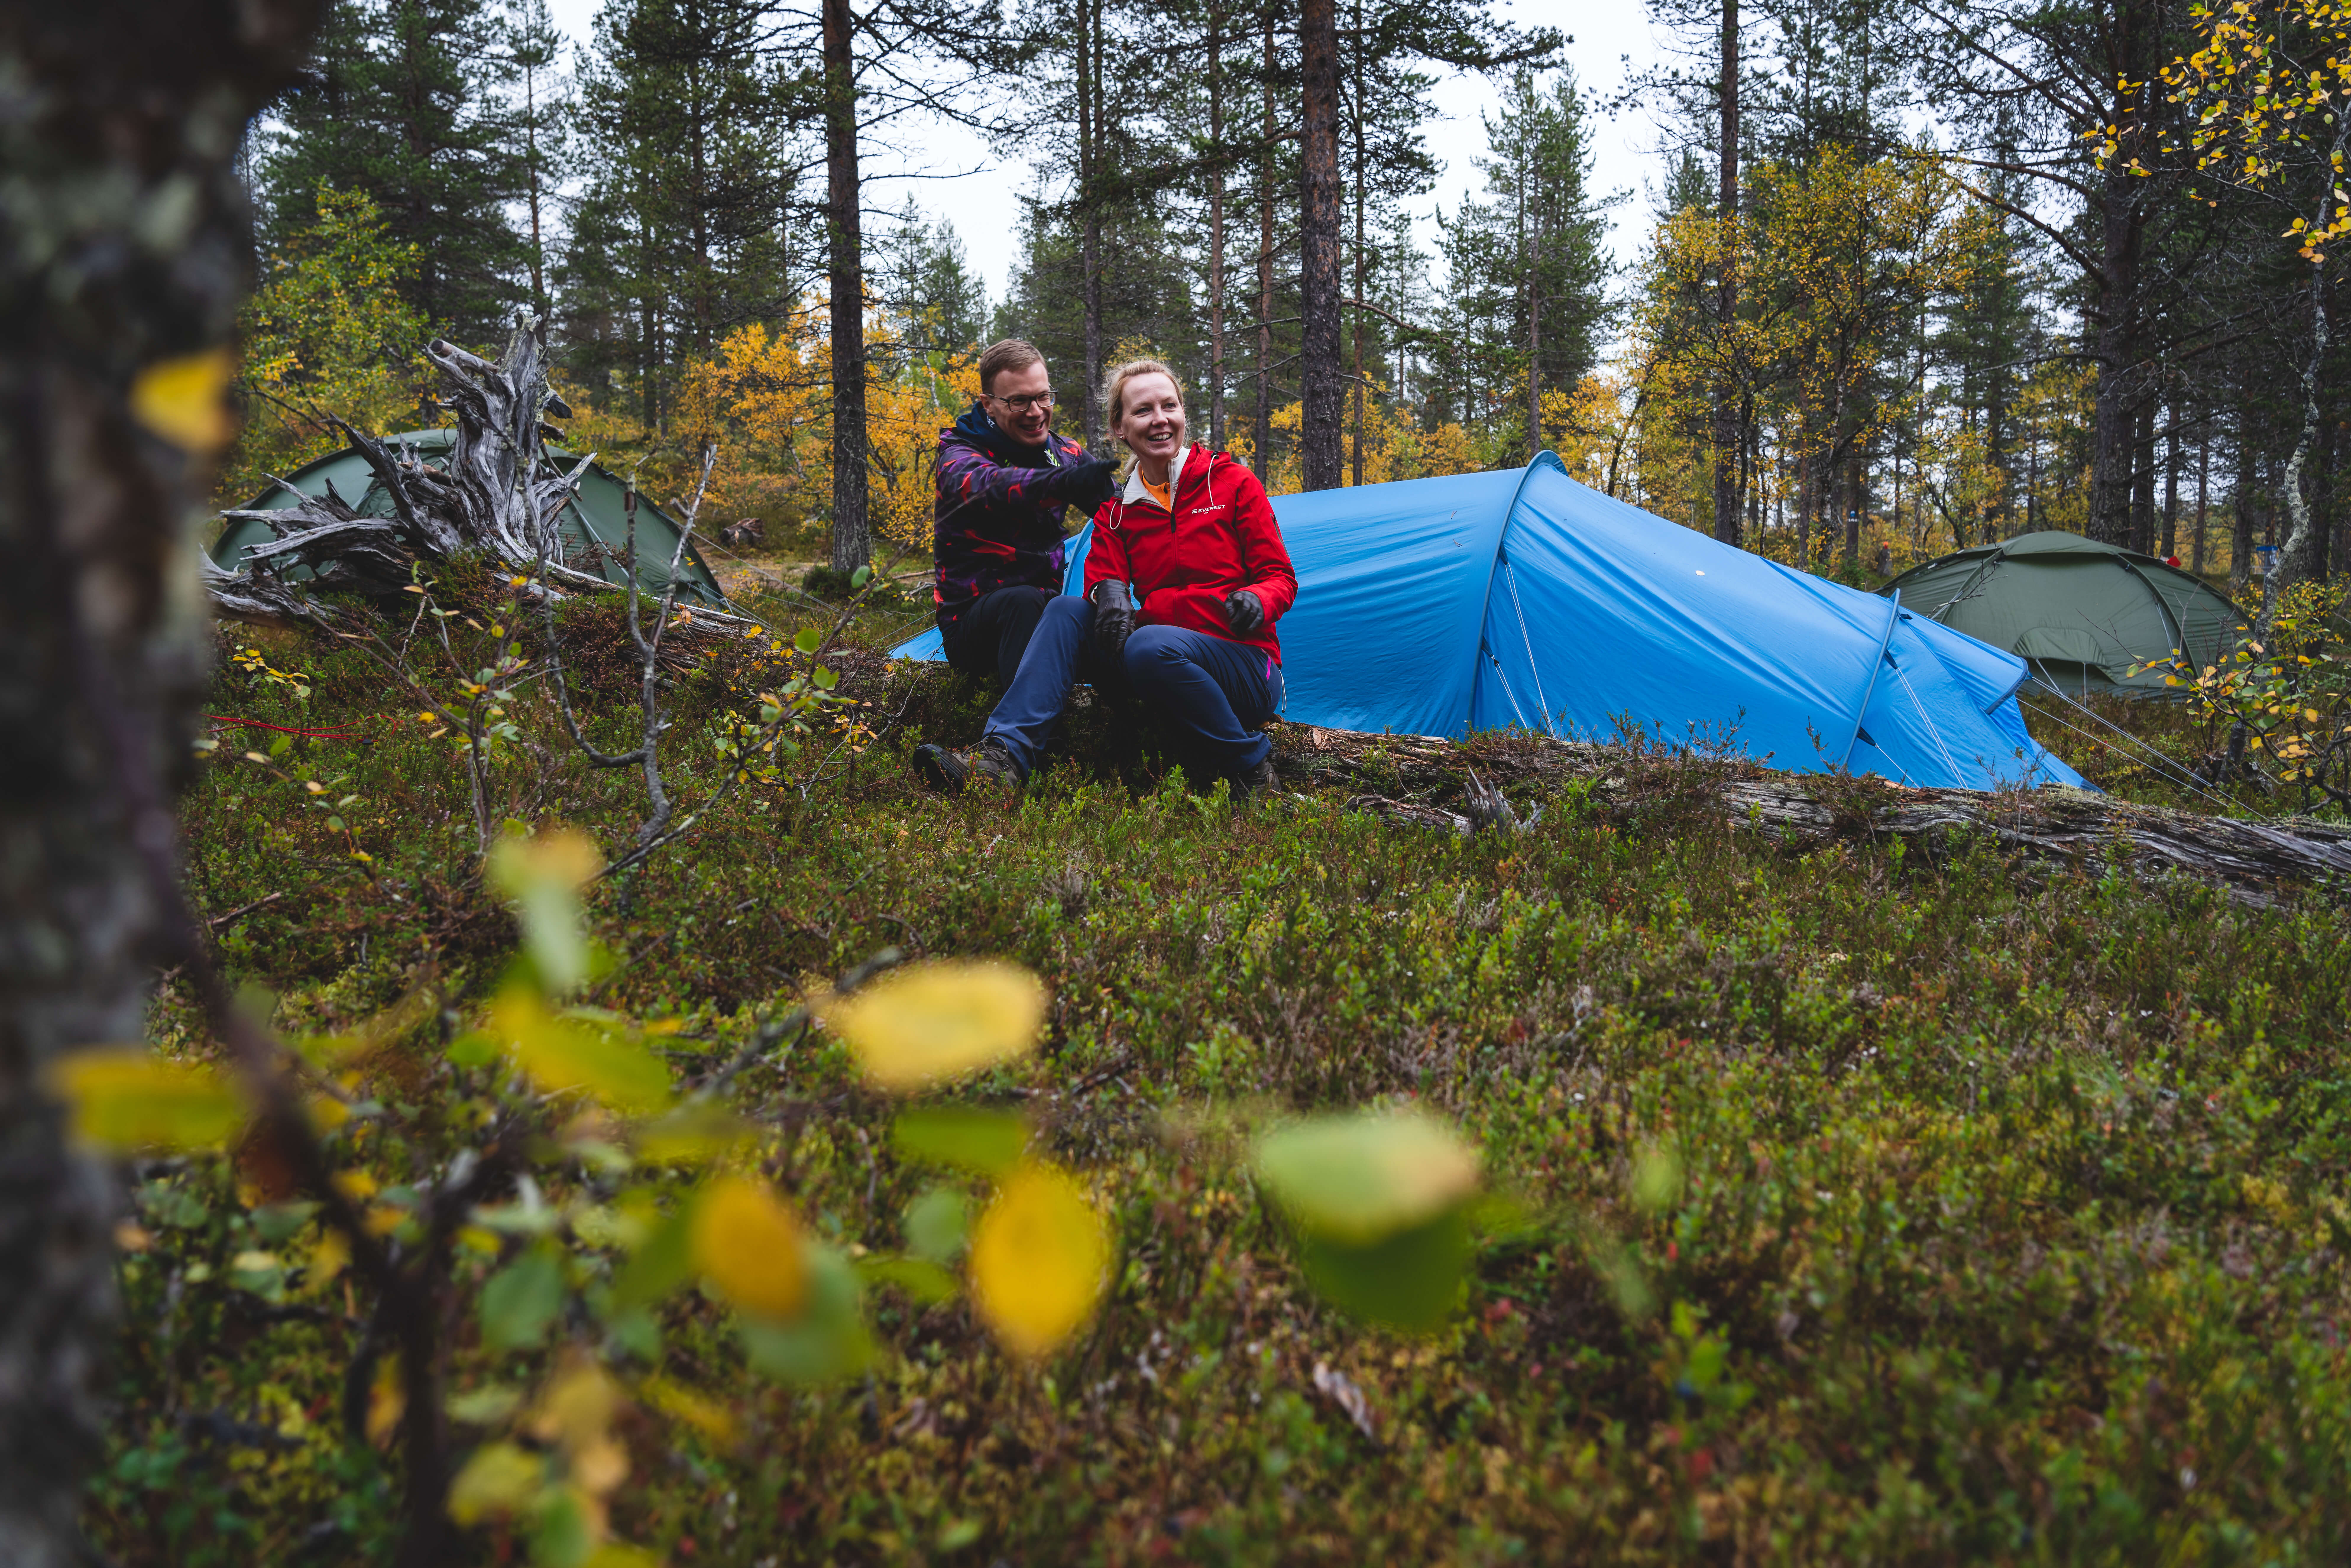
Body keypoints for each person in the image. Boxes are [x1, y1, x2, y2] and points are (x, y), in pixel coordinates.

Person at [913, 359, 1298, 797]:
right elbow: (1102, 573)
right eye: (1143, 410)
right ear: (1120, 427)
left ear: (1182, 414)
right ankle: (1005, 758)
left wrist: (1258, 598)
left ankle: (1252, 768)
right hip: (1156, 663)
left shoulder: (1231, 483)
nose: (1159, 419)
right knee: (1065, 610)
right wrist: (1105, 591)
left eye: (1168, 406)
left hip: (1243, 666)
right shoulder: (1119, 509)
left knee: (1149, 644)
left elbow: (1280, 577)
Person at [931, 338, 1119, 683]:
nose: (1036, 412)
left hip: (1047, 608)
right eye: (1019, 401)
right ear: (988, 405)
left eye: (1043, 397)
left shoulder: (1064, 453)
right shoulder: (958, 454)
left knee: (1104, 624)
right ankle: (1026, 720)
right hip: (973, 626)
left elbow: (1121, 514)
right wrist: (1061, 483)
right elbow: (992, 487)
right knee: (1022, 602)